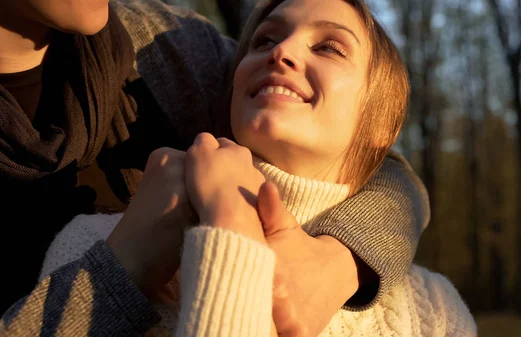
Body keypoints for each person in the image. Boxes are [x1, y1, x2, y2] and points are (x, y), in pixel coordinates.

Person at [36, 0, 477, 336]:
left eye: (329, 46)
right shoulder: (92, 247)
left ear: (381, 122)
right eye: (263, 40)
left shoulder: (435, 311)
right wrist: (230, 226)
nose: (281, 50)